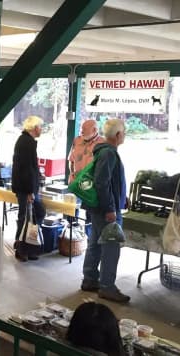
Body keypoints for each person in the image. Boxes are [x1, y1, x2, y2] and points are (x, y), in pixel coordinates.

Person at [81, 119, 130, 303]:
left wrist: (121, 196)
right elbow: (102, 182)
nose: (124, 135)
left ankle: (90, 279)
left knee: (94, 243)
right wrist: (110, 208)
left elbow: (109, 181)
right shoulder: (109, 153)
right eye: (124, 132)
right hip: (106, 209)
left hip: (99, 207)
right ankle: (107, 287)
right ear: (117, 135)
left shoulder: (103, 151)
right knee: (111, 247)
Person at [12, 116, 46, 262]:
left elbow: (29, 167)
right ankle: (22, 249)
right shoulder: (27, 143)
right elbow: (26, 169)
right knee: (27, 217)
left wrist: (38, 176)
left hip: (26, 186)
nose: (41, 129)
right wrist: (29, 191)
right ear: (34, 128)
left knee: (31, 215)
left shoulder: (26, 141)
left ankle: (28, 247)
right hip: (26, 188)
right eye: (40, 126)